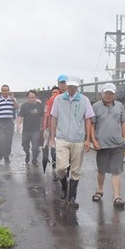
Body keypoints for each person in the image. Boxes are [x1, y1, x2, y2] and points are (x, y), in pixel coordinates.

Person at [49, 75, 94, 209]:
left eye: (74, 87)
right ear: (66, 86)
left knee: (75, 170)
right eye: (70, 86)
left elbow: (88, 119)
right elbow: (54, 118)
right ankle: (64, 185)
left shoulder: (84, 100)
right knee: (60, 168)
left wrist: (87, 139)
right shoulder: (58, 99)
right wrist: (52, 137)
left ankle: (72, 197)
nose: (72, 89)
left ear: (77, 87)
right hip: (62, 138)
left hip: (78, 139)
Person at [90, 83, 125, 208]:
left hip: (117, 145)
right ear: (102, 93)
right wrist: (93, 140)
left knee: (116, 170)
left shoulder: (119, 106)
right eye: (106, 93)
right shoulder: (95, 107)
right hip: (102, 144)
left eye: (111, 93)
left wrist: (124, 138)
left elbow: (123, 122)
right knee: (101, 170)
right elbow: (92, 125)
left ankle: (117, 196)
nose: (108, 95)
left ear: (114, 94)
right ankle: (100, 190)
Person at [46, 75, 69, 180]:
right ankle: (57, 170)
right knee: (56, 152)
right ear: (58, 84)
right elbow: (49, 115)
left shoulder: (74, 96)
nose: (63, 85)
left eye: (65, 83)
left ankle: (66, 172)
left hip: (70, 131)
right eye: (61, 83)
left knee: (69, 155)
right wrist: (49, 130)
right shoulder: (53, 99)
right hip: (57, 130)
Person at [0, 84, 19, 164]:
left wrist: (13, 100)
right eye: (3, 90)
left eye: (6, 90)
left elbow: (17, 108)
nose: (4, 92)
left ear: (9, 91)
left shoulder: (12, 99)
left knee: (8, 140)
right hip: (0, 122)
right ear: (1, 91)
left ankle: (6, 157)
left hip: (9, 122)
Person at [16, 90, 45, 166]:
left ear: (36, 97)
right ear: (27, 98)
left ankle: (34, 160)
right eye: (30, 97)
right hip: (26, 130)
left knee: (35, 146)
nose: (31, 99)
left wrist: (43, 126)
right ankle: (27, 154)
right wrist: (18, 125)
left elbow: (43, 117)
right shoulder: (24, 106)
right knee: (25, 145)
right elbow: (20, 116)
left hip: (36, 130)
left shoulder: (40, 106)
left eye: (33, 97)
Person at [42, 85, 60, 172]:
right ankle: (54, 161)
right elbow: (46, 115)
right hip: (50, 127)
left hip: (60, 128)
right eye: (53, 93)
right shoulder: (47, 103)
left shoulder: (61, 102)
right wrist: (45, 128)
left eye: (57, 93)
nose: (55, 94)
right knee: (51, 146)